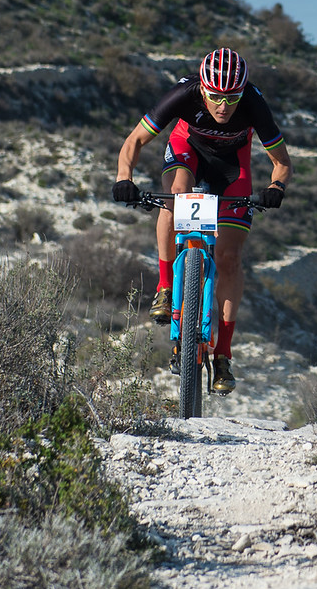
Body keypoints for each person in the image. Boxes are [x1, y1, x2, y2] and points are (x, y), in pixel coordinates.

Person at [111, 47, 291, 394]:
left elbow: (282, 162)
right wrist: (124, 178)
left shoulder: (254, 103)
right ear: (202, 88)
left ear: (243, 92)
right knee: (175, 197)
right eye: (215, 96)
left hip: (231, 166)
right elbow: (135, 140)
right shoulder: (182, 94)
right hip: (187, 150)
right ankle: (166, 287)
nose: (223, 106)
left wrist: (276, 186)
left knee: (229, 258)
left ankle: (223, 354)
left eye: (232, 97)